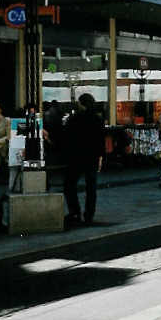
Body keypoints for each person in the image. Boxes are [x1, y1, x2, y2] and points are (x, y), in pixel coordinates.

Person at [62, 94, 106, 227]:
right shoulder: (97, 119)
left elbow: (67, 137)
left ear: (82, 104)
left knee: (69, 184)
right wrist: (100, 157)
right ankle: (89, 215)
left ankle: (75, 212)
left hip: (76, 157)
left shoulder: (74, 118)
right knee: (91, 187)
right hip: (92, 157)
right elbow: (100, 140)